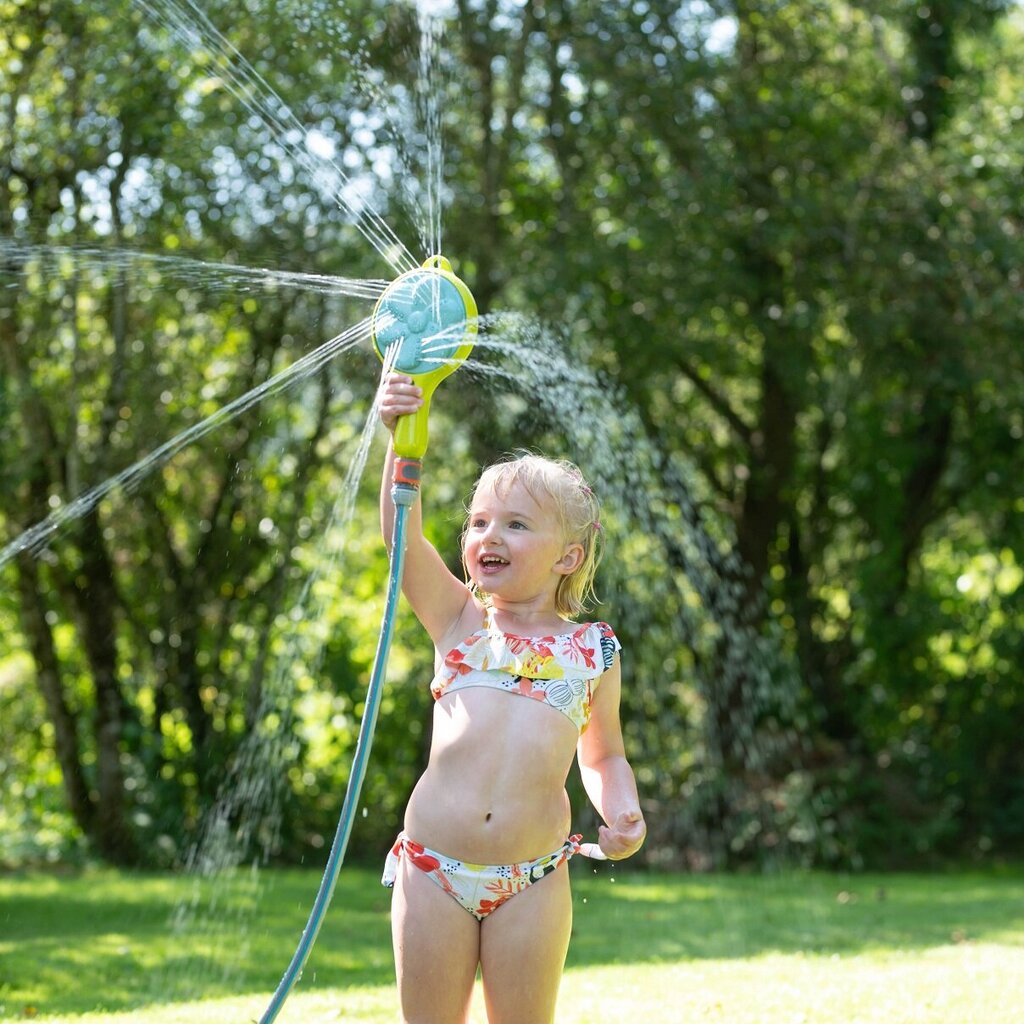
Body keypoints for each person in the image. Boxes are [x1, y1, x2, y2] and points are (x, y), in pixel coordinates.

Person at [377, 372, 647, 1024]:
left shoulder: (593, 651)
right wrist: (399, 442)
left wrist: (622, 808)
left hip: (531, 878)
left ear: (567, 556)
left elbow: (604, 753)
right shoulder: (460, 622)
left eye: (517, 524)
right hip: (433, 868)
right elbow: (401, 540)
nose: (489, 536)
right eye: (478, 522)